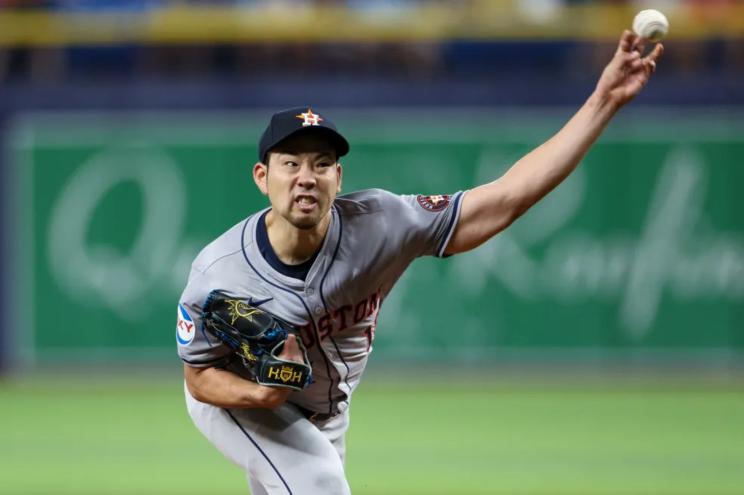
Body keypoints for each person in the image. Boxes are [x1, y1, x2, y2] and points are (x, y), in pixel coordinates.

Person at [176, 30, 663, 495]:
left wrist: (602, 103)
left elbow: (505, 198)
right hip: (240, 396)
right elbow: (198, 378)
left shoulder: (382, 223)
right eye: (291, 163)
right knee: (319, 479)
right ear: (263, 176)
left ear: (338, 177)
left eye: (321, 163)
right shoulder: (220, 274)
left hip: (327, 408)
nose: (307, 177)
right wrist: (261, 394)